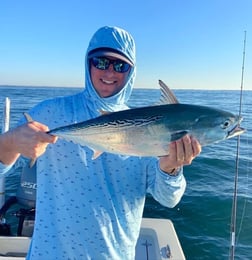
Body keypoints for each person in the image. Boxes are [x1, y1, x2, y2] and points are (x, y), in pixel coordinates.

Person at [0, 26, 201, 259]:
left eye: (120, 65)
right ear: (88, 63)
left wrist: (171, 168)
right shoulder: (48, 113)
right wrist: (10, 142)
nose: (110, 72)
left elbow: (168, 199)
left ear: (131, 71)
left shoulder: (151, 128)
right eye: (101, 62)